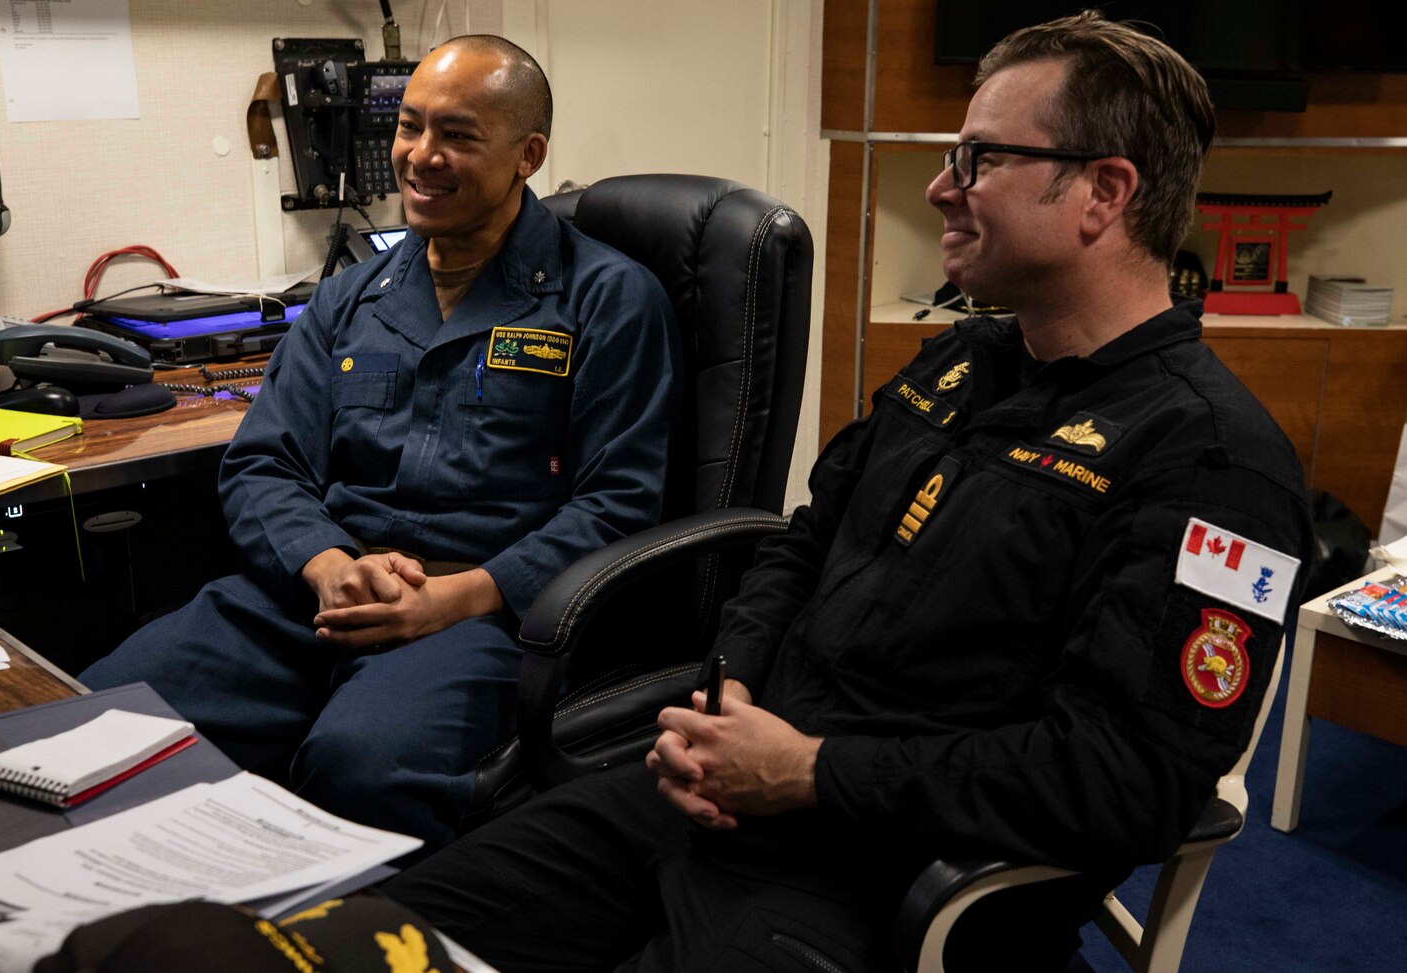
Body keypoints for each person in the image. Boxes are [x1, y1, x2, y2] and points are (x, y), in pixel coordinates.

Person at [379, 11, 1314, 972]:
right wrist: (728, 684)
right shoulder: (961, 362)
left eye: (980, 159)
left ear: (1103, 193)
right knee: (377, 936)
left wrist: (811, 771)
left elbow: (1128, 779)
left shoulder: (1214, 464)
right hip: (719, 799)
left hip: (878, 879)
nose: (941, 187)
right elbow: (802, 540)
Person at [81, 35, 681, 852]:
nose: (420, 157)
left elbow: (619, 506)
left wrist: (454, 597)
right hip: (322, 595)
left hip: (476, 618)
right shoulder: (349, 296)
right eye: (409, 127)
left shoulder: (608, 300)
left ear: (527, 156)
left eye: (458, 135)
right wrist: (326, 565)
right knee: (94, 718)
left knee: (359, 767)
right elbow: (264, 459)